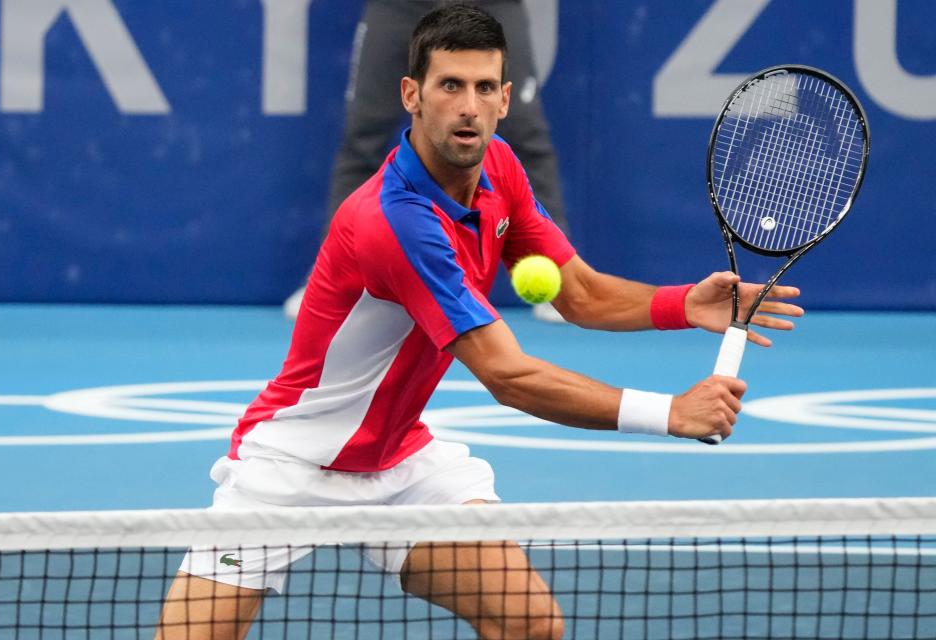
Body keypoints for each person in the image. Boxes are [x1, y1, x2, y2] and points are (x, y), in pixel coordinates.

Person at [156, 4, 803, 639]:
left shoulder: (498, 170)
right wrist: (670, 413)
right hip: (289, 469)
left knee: (530, 623)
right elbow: (507, 374)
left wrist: (685, 304)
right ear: (412, 94)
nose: (468, 105)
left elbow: (577, 291)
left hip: (401, 463)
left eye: (484, 87)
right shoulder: (393, 222)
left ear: (504, 99)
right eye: (450, 86)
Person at [283, 0, 570, 323]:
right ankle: (333, 279)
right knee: (362, 138)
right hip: (399, 8)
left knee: (526, 138)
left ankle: (561, 276)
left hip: (492, 7)